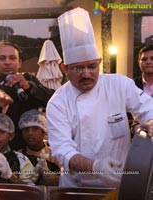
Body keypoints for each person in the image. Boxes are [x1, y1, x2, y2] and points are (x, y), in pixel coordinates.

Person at [47, 7, 153, 188]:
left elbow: (148, 108)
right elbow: (62, 150)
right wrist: (95, 166)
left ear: (100, 63)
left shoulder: (119, 84)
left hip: (120, 184)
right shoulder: (58, 102)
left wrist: (151, 121)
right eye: (78, 68)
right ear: (65, 69)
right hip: (78, 189)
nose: (86, 74)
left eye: (92, 66)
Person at [0, 40, 54, 150]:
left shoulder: (29, 79)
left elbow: (51, 98)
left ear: (20, 62)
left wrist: (29, 86)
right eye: (2, 58)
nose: (7, 62)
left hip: (30, 148)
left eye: (12, 58)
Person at [18, 109, 60, 186]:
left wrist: (54, 178)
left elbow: (69, 180)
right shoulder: (18, 156)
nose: (30, 133)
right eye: (26, 129)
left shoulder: (56, 155)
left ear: (44, 131)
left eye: (35, 128)